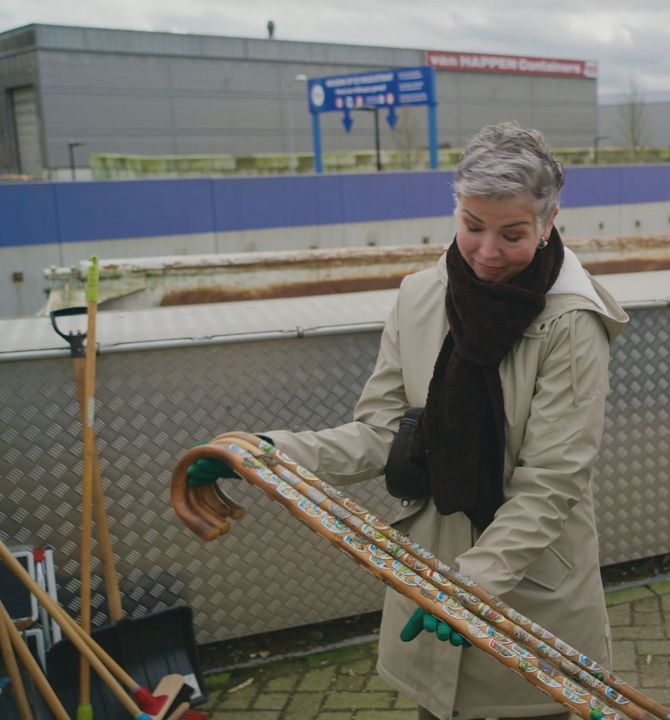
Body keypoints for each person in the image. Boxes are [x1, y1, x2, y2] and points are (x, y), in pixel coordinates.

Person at [187, 122, 628, 720]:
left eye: (513, 234)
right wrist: (267, 453)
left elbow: (552, 482)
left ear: (549, 223)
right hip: (433, 580)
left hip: (527, 597)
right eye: (472, 226)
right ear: (456, 209)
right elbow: (382, 434)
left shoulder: (571, 320)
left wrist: (471, 587)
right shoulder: (422, 295)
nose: (487, 252)